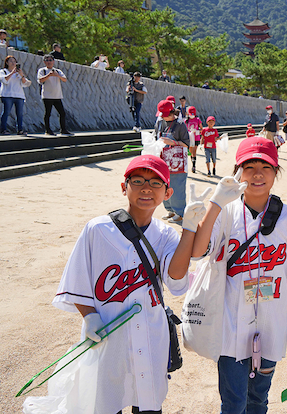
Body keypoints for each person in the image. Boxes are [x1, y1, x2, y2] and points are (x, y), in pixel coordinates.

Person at [52, 154, 203, 414]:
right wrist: (89, 317)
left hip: (150, 332)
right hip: (109, 336)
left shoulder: (165, 233)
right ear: (124, 187)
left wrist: (189, 229)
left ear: (168, 192)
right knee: (107, 401)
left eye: (156, 183)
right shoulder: (97, 229)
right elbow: (78, 279)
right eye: (138, 180)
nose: (146, 188)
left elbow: (176, 278)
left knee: (148, 401)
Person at [192, 136, 287, 414]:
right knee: (234, 403)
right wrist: (215, 203)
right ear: (237, 172)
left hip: (271, 324)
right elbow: (198, 251)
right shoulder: (226, 212)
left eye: (266, 167)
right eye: (249, 167)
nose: (258, 174)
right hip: (229, 325)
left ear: (276, 172)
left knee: (259, 400)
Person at [155, 100, 190, 225]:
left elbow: (186, 144)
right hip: (163, 161)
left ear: (171, 112)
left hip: (177, 163)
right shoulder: (159, 122)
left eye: (165, 114)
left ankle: (179, 213)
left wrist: (173, 143)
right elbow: (156, 137)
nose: (163, 116)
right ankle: (170, 210)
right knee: (164, 186)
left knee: (177, 188)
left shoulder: (180, 124)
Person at [37, 54, 72, 136]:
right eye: (47, 60)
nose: (49, 62)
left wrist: (57, 75)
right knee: (48, 113)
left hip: (57, 95)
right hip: (47, 95)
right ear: (44, 62)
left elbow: (64, 79)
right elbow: (40, 80)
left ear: (53, 61)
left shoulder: (58, 71)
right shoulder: (42, 70)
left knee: (62, 113)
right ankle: (47, 130)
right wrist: (49, 75)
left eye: (50, 60)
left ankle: (63, 129)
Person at [0, 55, 31, 135]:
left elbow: (25, 83)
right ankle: (3, 129)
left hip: (19, 95)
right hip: (7, 95)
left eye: (14, 61)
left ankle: (20, 129)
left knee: (20, 113)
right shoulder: (3, 71)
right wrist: (12, 73)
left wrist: (21, 75)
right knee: (6, 112)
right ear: (7, 62)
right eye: (11, 61)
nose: (13, 63)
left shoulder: (18, 73)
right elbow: (4, 80)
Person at [185, 106, 202, 174]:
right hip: (189, 138)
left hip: (196, 137)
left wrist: (197, 131)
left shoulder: (197, 120)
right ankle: (192, 162)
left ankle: (194, 166)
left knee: (194, 151)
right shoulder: (186, 121)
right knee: (191, 152)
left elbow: (201, 129)